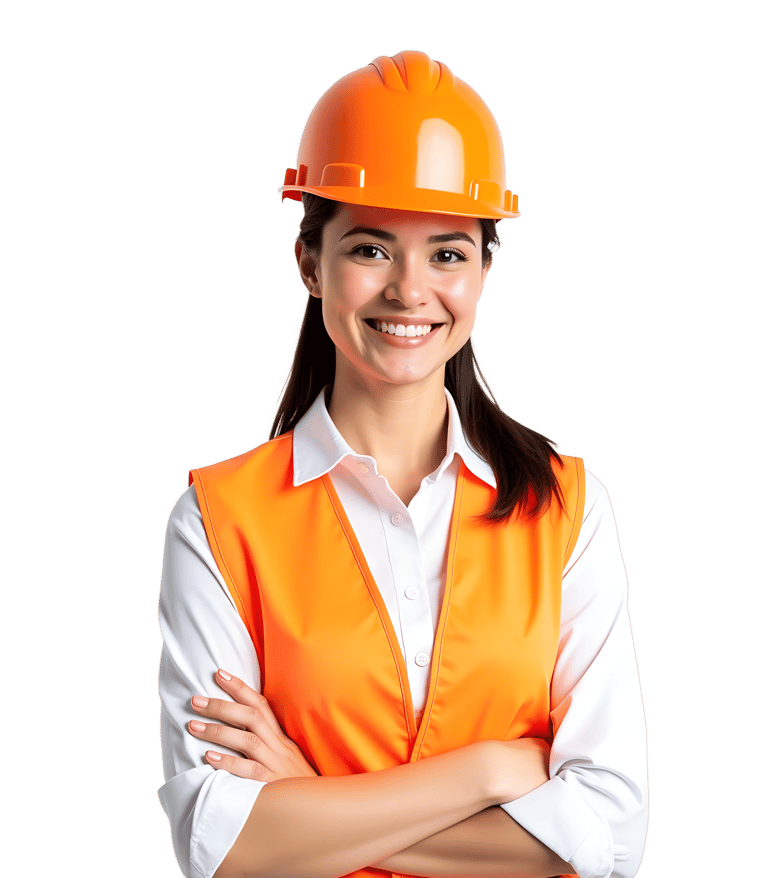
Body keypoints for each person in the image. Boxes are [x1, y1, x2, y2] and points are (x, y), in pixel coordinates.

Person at [156, 50, 649, 878]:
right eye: (371, 250)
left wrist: (308, 797)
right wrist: (492, 771)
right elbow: (219, 843)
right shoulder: (217, 518)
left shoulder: (569, 509)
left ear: (487, 269)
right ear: (311, 262)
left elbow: (608, 840)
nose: (410, 291)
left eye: (448, 253)